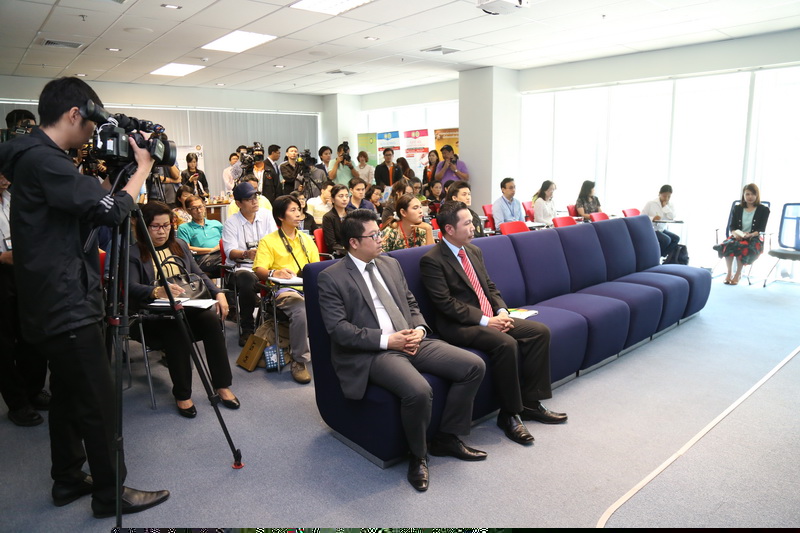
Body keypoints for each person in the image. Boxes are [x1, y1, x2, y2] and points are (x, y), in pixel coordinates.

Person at [0, 76, 169, 517]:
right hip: (66, 303)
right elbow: (110, 213)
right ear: (75, 113)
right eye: (92, 121)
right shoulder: (45, 160)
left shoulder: (33, 158)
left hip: (48, 300)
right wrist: (142, 170)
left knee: (69, 395)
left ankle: (67, 477)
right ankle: (111, 494)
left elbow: (84, 209)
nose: (95, 131)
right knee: (97, 400)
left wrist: (116, 177)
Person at [317, 208, 487, 492]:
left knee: (473, 366)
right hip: (376, 351)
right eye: (373, 235)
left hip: (411, 339)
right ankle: (418, 456)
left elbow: (410, 302)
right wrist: (388, 341)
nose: (380, 239)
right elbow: (339, 330)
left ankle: (447, 436)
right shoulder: (331, 277)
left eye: (379, 233)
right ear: (354, 243)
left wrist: (419, 329)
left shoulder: (390, 264)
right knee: (418, 390)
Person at [420, 201, 567, 446]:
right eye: (467, 223)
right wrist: (487, 321)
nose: (473, 227)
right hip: (460, 326)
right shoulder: (432, 260)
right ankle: (509, 414)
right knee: (506, 343)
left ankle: (531, 403)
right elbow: (446, 304)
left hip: (490, 317)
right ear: (449, 229)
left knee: (539, 332)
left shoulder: (473, 251)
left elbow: (489, 286)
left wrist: (501, 311)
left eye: (472, 221)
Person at [129, 201, 238, 417]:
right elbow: (131, 287)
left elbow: (199, 274)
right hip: (154, 316)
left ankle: (222, 385)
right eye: (155, 226)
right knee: (175, 328)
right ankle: (183, 394)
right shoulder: (133, 253)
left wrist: (218, 293)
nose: (162, 231)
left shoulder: (179, 244)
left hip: (187, 307)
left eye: (166, 225)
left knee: (211, 321)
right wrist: (155, 291)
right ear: (143, 227)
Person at [0, 171, 50, 427]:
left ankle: (33, 390)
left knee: (33, 334)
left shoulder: (13, 198)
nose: (5, 178)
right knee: (4, 344)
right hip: (2, 272)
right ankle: (17, 403)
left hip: (24, 271)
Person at [253, 195, 320, 384]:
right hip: (284, 290)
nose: (299, 214)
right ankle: (299, 361)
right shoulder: (268, 241)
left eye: (299, 209)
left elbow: (316, 267)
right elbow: (259, 270)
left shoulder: (306, 239)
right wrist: (275, 272)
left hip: (308, 286)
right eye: (293, 210)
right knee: (301, 310)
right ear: (281, 216)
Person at [222, 181, 278, 345]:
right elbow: (230, 252)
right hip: (240, 268)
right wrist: (246, 253)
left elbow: (274, 242)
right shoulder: (231, 223)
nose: (254, 201)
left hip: (264, 266)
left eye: (255, 197)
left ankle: (278, 326)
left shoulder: (266, 215)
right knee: (247, 281)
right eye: (249, 199)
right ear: (239, 203)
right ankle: (247, 329)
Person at [713, 183, 770, 285]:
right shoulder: (737, 208)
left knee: (742, 246)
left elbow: (761, 229)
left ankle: (738, 274)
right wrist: (735, 234)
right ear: (743, 195)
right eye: (747, 194)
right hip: (738, 236)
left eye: (753, 194)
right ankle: (729, 273)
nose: (750, 197)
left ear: (757, 195)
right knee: (728, 245)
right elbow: (732, 226)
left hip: (754, 238)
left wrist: (750, 235)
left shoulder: (764, 210)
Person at [176, 195, 223, 276]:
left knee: (235, 260)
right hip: (202, 259)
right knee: (228, 261)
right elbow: (186, 248)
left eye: (200, 207)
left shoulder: (216, 223)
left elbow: (227, 240)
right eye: (194, 208)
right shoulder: (184, 228)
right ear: (188, 211)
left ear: (204, 207)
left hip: (220, 255)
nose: (199, 211)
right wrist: (211, 250)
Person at [642, 184, 680, 258]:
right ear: (659, 194)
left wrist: (665, 207)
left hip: (661, 229)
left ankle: (660, 255)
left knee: (676, 238)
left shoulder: (670, 205)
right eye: (664, 196)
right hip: (651, 229)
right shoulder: (651, 203)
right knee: (666, 240)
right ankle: (656, 257)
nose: (666, 198)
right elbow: (641, 217)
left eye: (669, 196)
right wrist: (653, 218)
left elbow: (671, 217)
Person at [322, 184, 350, 258]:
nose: (345, 199)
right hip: (339, 254)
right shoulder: (328, 217)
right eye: (341, 196)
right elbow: (332, 244)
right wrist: (349, 251)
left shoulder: (352, 214)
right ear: (333, 199)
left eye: (347, 196)